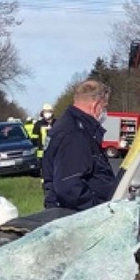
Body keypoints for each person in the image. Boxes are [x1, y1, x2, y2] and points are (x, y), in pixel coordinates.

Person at [41, 80, 116, 211]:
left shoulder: (69, 125)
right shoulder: (75, 134)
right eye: (104, 107)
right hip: (77, 217)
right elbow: (69, 187)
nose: (105, 112)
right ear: (96, 105)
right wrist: (99, 210)